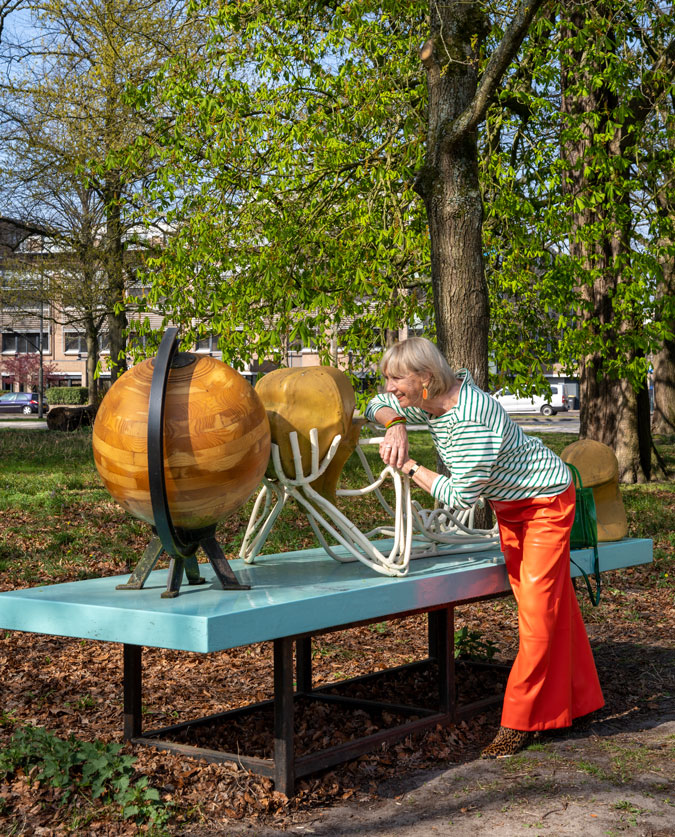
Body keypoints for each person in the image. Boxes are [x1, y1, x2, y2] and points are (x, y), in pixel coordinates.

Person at [365, 337, 604, 758]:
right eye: (387, 377)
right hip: (512, 508)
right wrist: (394, 424)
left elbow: (460, 496)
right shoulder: (428, 399)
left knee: (537, 614)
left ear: (425, 378)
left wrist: (410, 465)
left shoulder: (471, 419)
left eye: (396, 378)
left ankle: (518, 723)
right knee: (552, 606)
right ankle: (579, 701)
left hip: (545, 504)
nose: (389, 387)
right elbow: (374, 405)